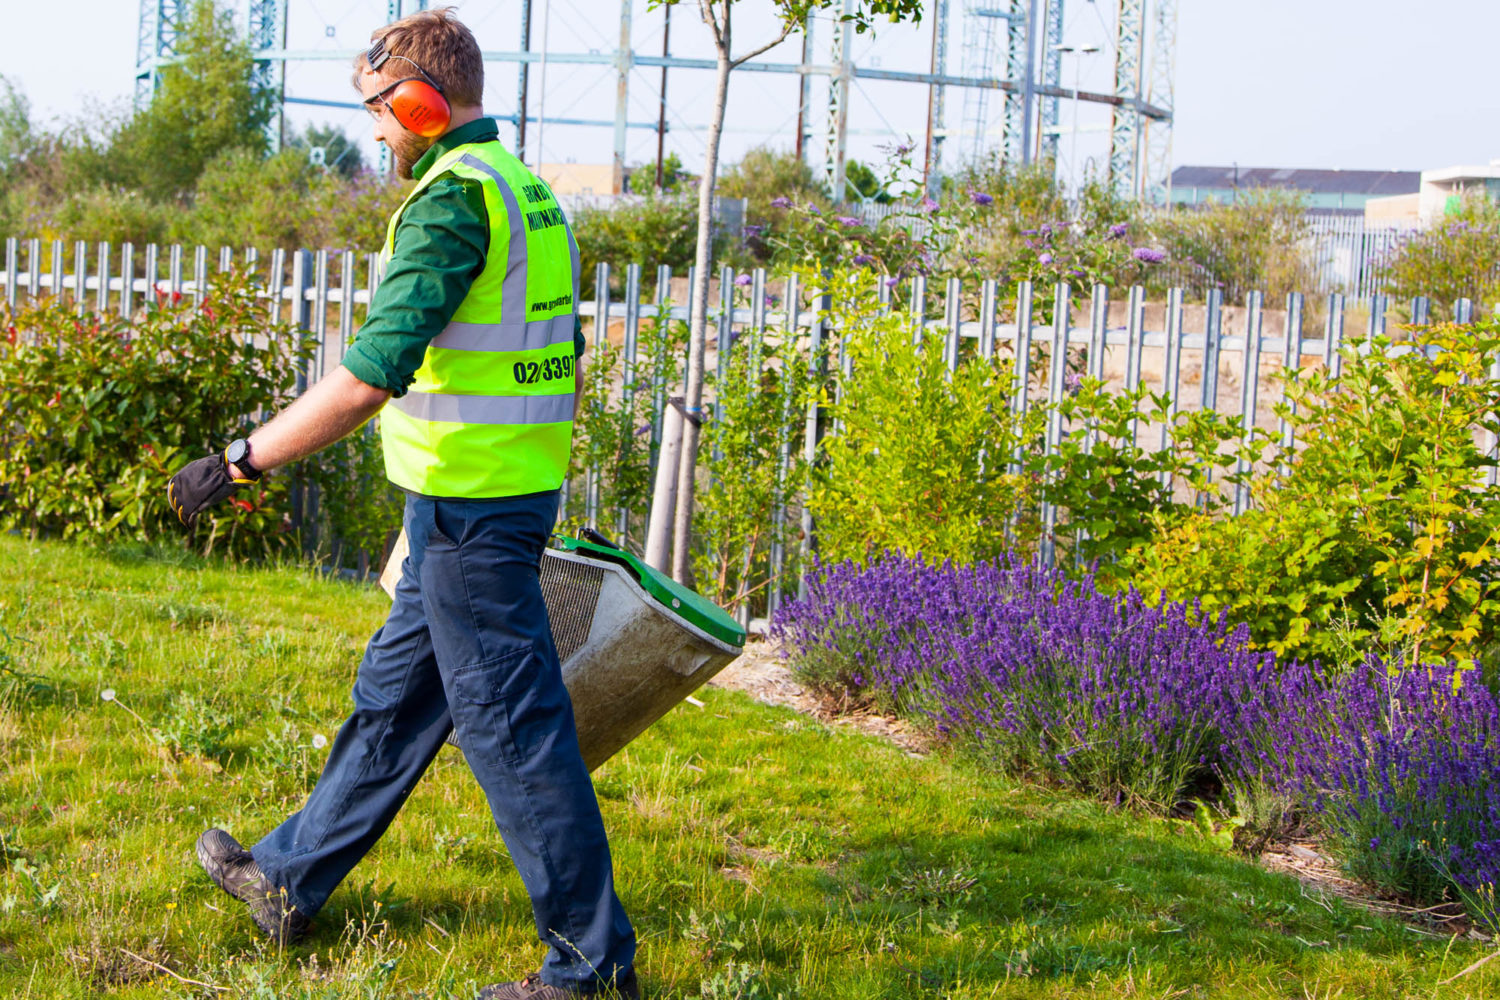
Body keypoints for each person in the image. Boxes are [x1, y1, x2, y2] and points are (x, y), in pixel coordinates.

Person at [165, 9, 638, 998]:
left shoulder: (452, 204)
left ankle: (589, 968)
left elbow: (369, 377)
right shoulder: (523, 190)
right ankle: (288, 882)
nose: (376, 130)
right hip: (474, 503)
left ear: (421, 102)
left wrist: (240, 461)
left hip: (473, 514)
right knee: (393, 701)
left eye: (379, 111)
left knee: (515, 732)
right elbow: (558, 361)